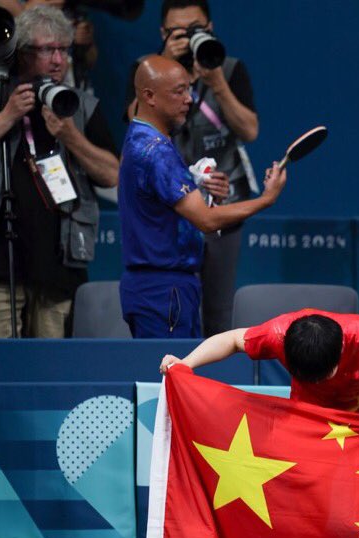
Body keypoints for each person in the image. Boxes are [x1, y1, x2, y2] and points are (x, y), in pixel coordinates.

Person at [118, 55, 284, 338]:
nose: (189, 99)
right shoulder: (157, 152)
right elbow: (206, 221)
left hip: (158, 288)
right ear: (149, 96)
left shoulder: (139, 139)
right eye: (179, 91)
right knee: (170, 380)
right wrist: (266, 199)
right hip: (164, 292)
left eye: (189, 89)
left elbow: (168, 209)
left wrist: (202, 192)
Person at [0, 5, 118, 338]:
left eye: (63, 50)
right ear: (23, 53)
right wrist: (7, 116)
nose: (58, 60)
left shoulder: (81, 105)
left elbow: (113, 174)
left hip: (58, 267)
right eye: (47, 50)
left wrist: (71, 136)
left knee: (48, 366)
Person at [125, 0, 259, 337]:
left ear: (210, 28)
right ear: (163, 33)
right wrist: (170, 68)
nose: (187, 38)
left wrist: (215, 82)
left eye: (195, 29)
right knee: (175, 317)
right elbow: (136, 123)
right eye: (178, 31)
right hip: (170, 213)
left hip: (222, 208)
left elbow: (250, 130)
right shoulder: (149, 69)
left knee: (216, 315)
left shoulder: (229, 68)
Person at [160, 310, 359, 439]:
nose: (318, 382)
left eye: (323, 375)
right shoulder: (277, 335)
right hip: (309, 421)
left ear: (342, 349)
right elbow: (232, 339)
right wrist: (186, 363)